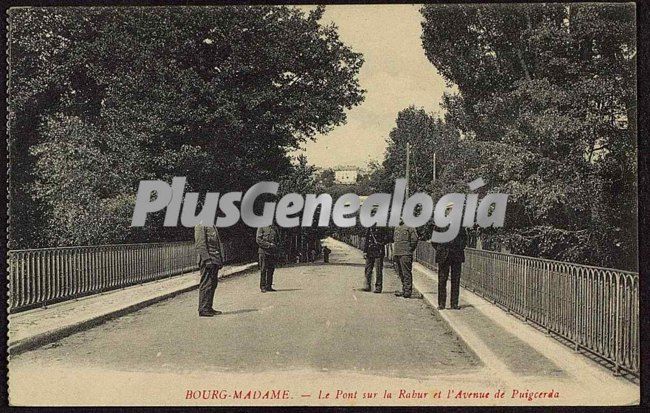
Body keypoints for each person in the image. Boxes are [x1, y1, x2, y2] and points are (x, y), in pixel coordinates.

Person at [433, 226, 467, 310]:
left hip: (456, 256)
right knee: (442, 280)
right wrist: (440, 249)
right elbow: (434, 241)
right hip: (443, 256)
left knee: (456, 280)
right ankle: (441, 304)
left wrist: (458, 248)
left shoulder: (460, 226)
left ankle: (454, 304)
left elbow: (464, 239)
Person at [194, 224, 224, 317]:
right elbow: (200, 245)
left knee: (212, 284)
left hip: (214, 259)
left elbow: (217, 244)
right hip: (207, 260)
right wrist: (207, 259)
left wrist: (220, 259)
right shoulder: (200, 225)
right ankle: (203, 309)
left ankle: (208, 307)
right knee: (206, 284)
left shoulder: (212, 225)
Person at [393, 219, 419, 298]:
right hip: (397, 253)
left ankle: (407, 291)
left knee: (406, 273)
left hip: (406, 254)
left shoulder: (410, 226)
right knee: (400, 273)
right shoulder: (396, 227)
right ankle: (404, 289)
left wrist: (409, 249)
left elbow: (414, 239)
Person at [362, 224, 389, 293]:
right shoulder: (370, 227)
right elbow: (367, 239)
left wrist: (381, 242)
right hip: (370, 251)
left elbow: (387, 237)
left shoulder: (382, 227)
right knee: (368, 269)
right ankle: (367, 285)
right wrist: (365, 251)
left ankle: (378, 287)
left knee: (378, 270)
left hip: (378, 251)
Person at [256, 223, 281, 292]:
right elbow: (258, 240)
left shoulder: (275, 228)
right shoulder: (261, 227)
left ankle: (269, 286)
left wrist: (276, 248)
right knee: (263, 269)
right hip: (263, 252)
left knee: (271, 269)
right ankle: (263, 286)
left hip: (272, 252)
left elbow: (278, 240)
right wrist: (269, 245)